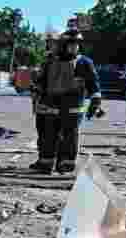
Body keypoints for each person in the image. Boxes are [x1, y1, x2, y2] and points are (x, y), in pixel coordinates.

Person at [31, 30, 101, 174]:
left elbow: (93, 83)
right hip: (50, 106)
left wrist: (96, 99)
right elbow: (41, 81)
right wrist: (35, 90)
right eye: (72, 45)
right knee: (47, 135)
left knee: (70, 137)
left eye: (77, 45)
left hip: (72, 107)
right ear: (63, 45)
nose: (75, 48)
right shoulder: (50, 61)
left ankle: (66, 164)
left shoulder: (84, 62)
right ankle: (45, 162)